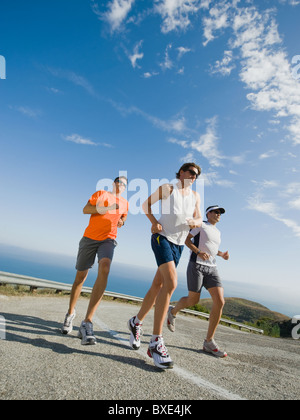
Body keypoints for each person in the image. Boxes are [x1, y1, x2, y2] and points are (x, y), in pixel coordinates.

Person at [128, 163, 202, 369]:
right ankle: (155, 342)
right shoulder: (168, 188)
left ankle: (136, 321)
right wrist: (153, 222)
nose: (194, 176)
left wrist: (196, 222)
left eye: (197, 175)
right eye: (191, 172)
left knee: (158, 286)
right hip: (161, 238)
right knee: (171, 284)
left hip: (179, 245)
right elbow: (145, 205)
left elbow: (198, 218)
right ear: (180, 173)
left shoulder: (195, 196)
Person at [61, 176, 129, 345]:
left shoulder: (125, 203)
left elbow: (123, 218)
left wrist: (121, 221)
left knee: (105, 268)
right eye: (119, 182)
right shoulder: (102, 193)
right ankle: (70, 313)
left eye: (125, 185)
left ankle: (87, 322)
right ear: (114, 183)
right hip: (89, 238)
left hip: (108, 239)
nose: (121, 186)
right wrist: (106, 208)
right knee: (80, 277)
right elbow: (85, 209)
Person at [167, 205, 229, 358]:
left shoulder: (218, 232)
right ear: (208, 213)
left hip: (212, 268)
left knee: (220, 301)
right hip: (196, 266)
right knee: (193, 300)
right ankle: (173, 311)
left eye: (220, 213)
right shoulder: (201, 225)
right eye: (215, 211)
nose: (218, 214)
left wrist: (221, 254)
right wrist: (198, 252)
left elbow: (212, 249)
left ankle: (209, 341)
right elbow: (187, 240)